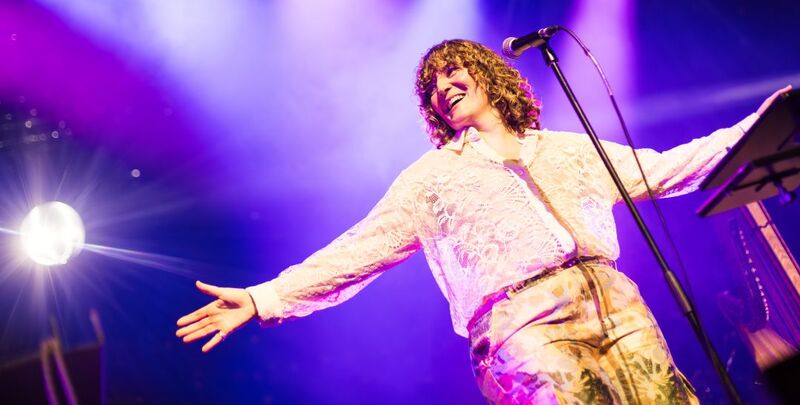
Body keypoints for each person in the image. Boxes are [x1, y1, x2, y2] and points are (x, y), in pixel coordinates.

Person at [177, 39, 790, 403]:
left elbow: (667, 168)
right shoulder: (431, 178)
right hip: (522, 323)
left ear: (488, 76)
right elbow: (357, 250)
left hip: (616, 303)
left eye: (451, 71)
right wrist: (264, 298)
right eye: (431, 87)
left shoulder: (567, 148)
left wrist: (769, 126)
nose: (443, 87)